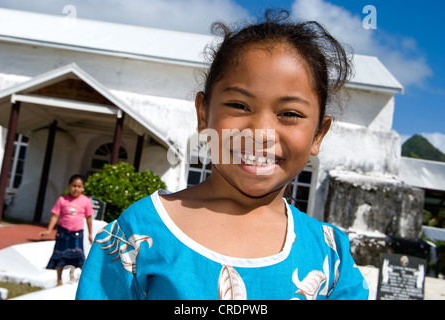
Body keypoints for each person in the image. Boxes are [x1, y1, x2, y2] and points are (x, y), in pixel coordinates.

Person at [76, 9, 369, 300]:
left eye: (290, 113)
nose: (261, 133)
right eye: (240, 106)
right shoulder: (135, 235)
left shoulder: (332, 259)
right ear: (203, 114)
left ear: (318, 134)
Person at [41, 174, 94, 286]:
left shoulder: (85, 201)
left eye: (79, 186)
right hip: (63, 232)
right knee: (60, 256)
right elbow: (55, 215)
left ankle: (72, 276)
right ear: (69, 186)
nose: (76, 189)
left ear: (83, 187)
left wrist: (90, 233)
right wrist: (49, 230)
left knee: (76, 256)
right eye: (74, 186)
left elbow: (89, 218)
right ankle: (59, 280)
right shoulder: (62, 200)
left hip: (77, 233)